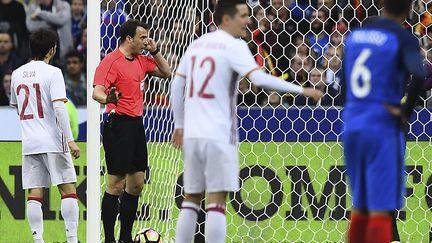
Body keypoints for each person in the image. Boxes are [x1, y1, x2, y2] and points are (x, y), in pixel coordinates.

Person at [169, 1, 323, 242]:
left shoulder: (196, 44)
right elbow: (259, 80)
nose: (248, 21)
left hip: (193, 133)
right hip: (219, 134)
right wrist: (301, 91)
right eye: (243, 16)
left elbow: (176, 84)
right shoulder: (234, 45)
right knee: (216, 202)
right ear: (226, 19)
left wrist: (179, 124)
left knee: (191, 199)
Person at [342, 0, 426, 242]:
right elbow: (420, 76)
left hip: (353, 122)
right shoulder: (402, 37)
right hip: (382, 125)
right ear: (409, 8)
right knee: (380, 208)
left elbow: (344, 79)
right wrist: (404, 112)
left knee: (360, 205)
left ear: (381, 4)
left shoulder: (357, 35)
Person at [92, 19, 171, 243]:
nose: (146, 41)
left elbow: (166, 72)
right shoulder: (110, 62)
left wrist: (155, 51)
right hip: (118, 125)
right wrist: (108, 98)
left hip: (136, 125)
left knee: (136, 184)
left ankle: (125, 238)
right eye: (143, 37)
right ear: (129, 39)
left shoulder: (141, 60)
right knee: (116, 184)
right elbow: (97, 92)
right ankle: (109, 239)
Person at [9, 28, 80, 243]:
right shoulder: (54, 73)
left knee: (34, 192)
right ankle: (72, 239)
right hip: (52, 139)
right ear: (52, 50)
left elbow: (16, 104)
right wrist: (70, 140)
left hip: (29, 141)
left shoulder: (16, 73)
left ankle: (38, 240)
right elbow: (59, 108)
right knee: (67, 188)